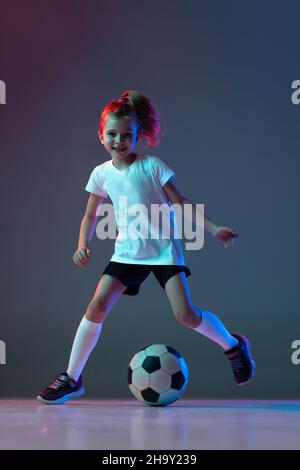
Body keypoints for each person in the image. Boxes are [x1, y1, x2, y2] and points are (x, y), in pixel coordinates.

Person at [37, 90, 256, 404]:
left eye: (127, 135)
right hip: (127, 253)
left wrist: (213, 228)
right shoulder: (101, 174)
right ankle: (72, 378)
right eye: (112, 134)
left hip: (164, 251)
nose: (119, 140)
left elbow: (181, 202)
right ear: (101, 136)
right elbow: (90, 214)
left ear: (139, 136)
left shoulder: (152, 166)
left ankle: (233, 346)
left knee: (187, 315)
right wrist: (82, 244)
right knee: (96, 306)